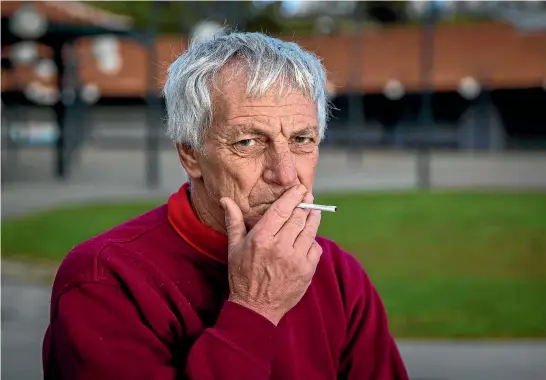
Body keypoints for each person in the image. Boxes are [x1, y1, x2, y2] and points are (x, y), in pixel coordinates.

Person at [42, 32, 409, 380]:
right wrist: (254, 309)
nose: (284, 175)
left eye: (301, 140)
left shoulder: (339, 274)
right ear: (190, 154)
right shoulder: (105, 279)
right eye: (248, 141)